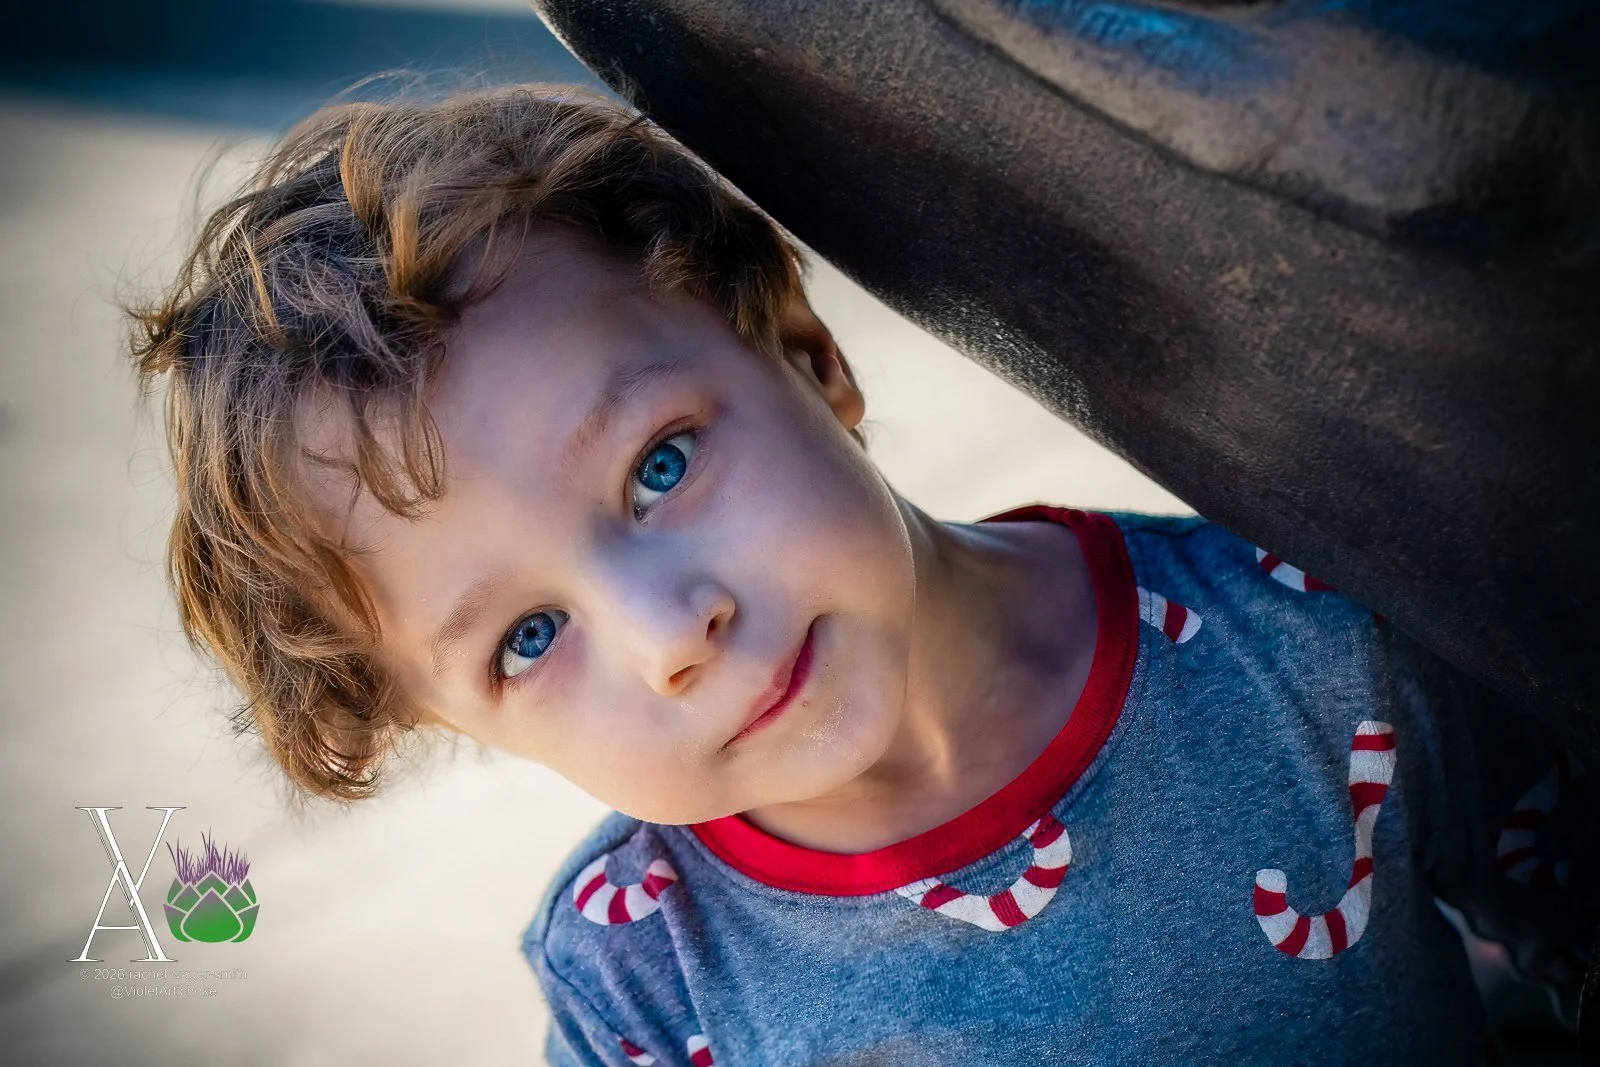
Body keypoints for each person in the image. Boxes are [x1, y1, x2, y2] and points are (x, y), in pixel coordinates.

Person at [128, 84, 1596, 1065]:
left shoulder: (1315, 643)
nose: (668, 632)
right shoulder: (646, 987)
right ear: (459, 725)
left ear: (806, 357)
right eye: (523, 638)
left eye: (659, 465)